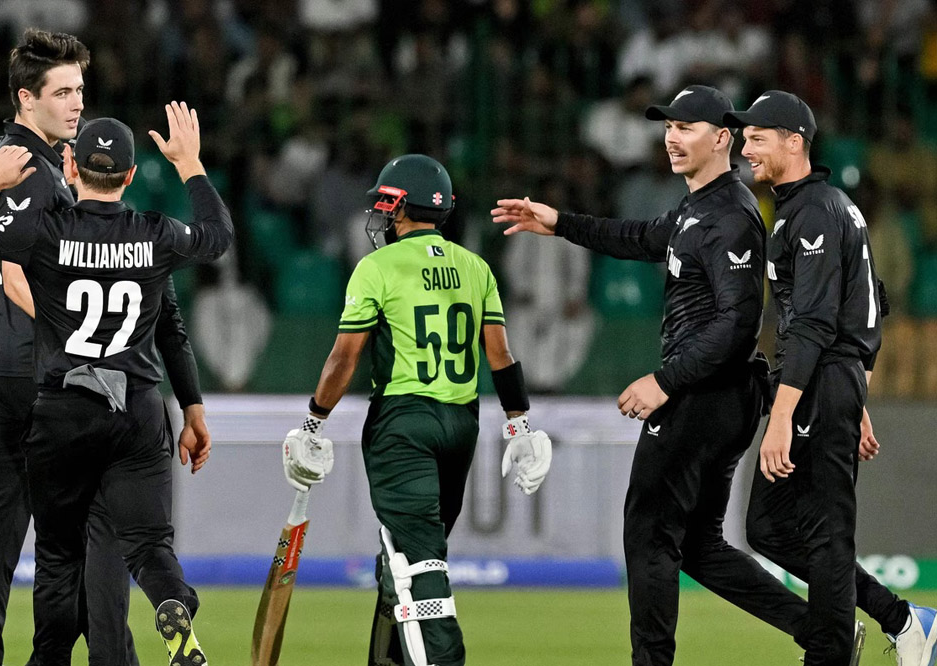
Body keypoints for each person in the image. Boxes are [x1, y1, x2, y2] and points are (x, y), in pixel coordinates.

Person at [492, 85, 823, 666]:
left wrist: (665, 382)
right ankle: (824, 633)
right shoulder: (700, 207)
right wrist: (559, 223)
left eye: (686, 126)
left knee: (647, 533)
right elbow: (642, 238)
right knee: (697, 545)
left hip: (703, 395)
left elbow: (738, 323)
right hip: (719, 396)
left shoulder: (730, 216)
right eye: (668, 126)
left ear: (722, 139)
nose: (671, 137)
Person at [0, 102, 232, 666]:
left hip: (63, 411)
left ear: (70, 168)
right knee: (147, 543)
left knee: (58, 557)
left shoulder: (43, 235)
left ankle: (49, 658)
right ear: (130, 175)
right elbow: (217, 235)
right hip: (136, 409)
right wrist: (190, 165)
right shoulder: (156, 235)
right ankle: (172, 601)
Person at [280, 154, 552, 666]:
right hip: (461, 426)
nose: (382, 214)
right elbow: (500, 356)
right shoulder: (475, 267)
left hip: (403, 423)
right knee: (406, 555)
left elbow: (345, 357)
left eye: (387, 205)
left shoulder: (377, 266)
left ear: (402, 206)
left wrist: (313, 423)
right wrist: (520, 425)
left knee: (418, 567)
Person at [725, 90, 937, 666]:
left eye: (757, 138)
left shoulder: (814, 212)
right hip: (827, 382)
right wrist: (856, 395)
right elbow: (868, 304)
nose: (746, 148)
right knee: (768, 529)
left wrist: (786, 413)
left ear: (794, 142)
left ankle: (833, 651)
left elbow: (816, 322)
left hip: (817, 383)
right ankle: (900, 620)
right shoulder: (819, 207)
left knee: (825, 532)